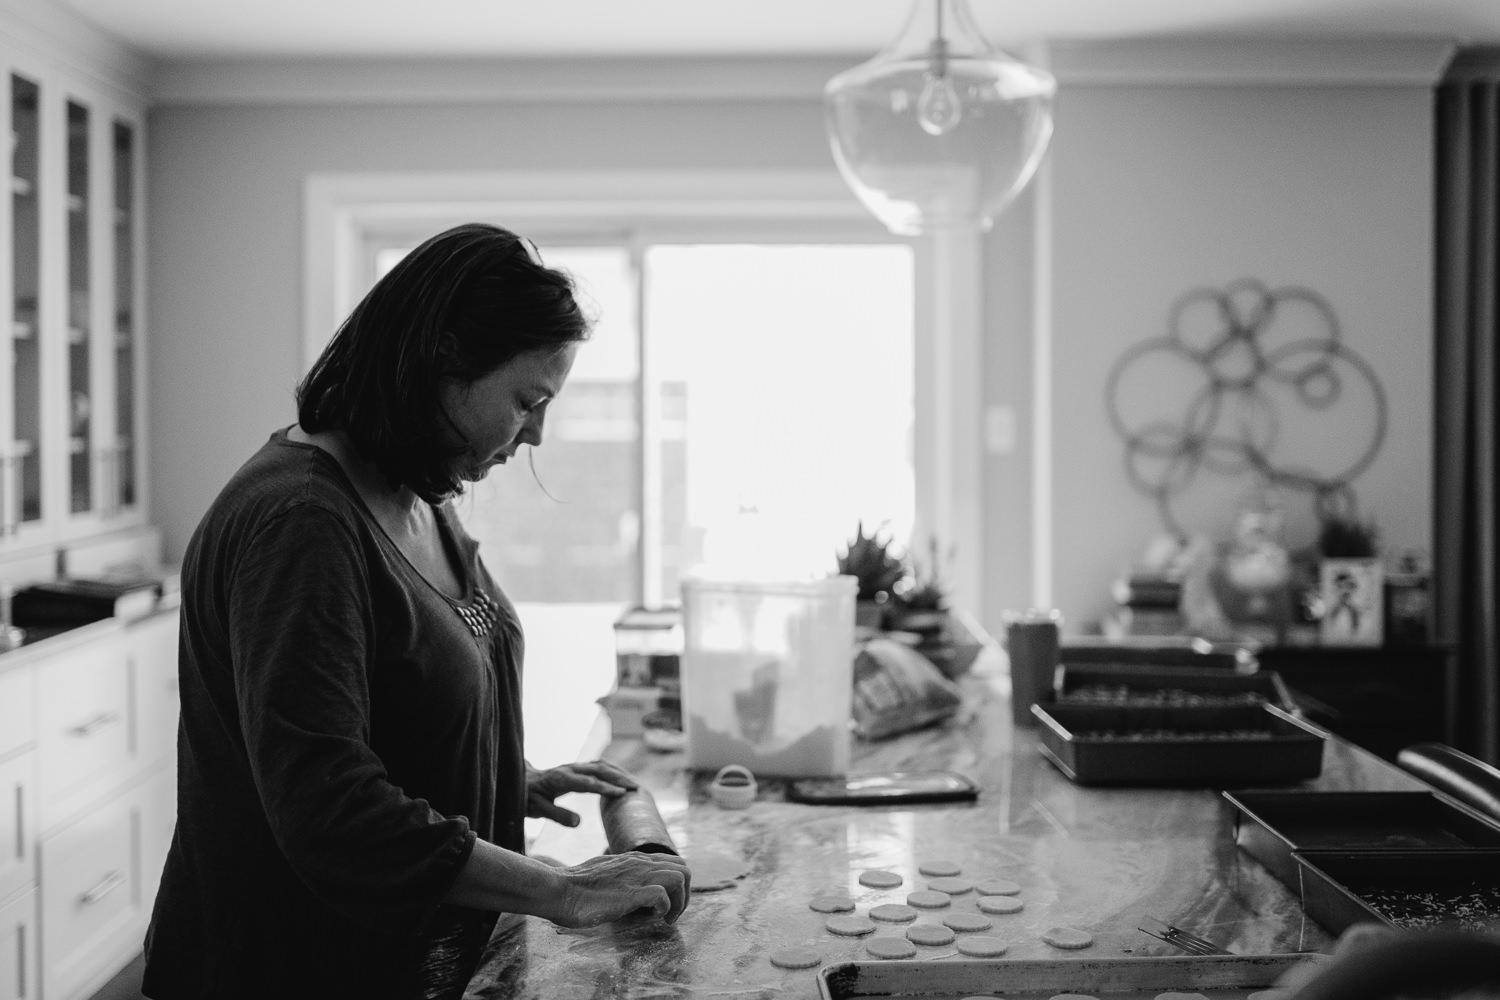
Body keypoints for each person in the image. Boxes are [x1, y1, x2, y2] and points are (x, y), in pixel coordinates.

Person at [142, 223, 691, 1000]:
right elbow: (330, 808)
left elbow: (398, 694)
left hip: (417, 962)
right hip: (292, 971)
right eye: (527, 401)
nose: (536, 433)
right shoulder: (302, 523)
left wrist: (499, 777)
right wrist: (561, 891)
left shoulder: (417, 493)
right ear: (440, 360)